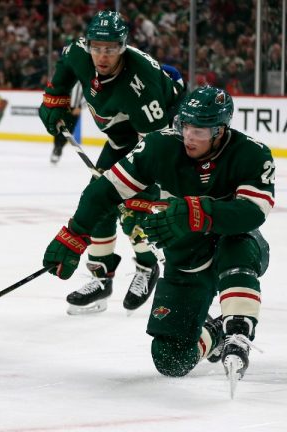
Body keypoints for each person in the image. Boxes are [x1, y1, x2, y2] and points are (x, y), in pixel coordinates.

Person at [42, 86, 273, 386]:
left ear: (220, 130)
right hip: (186, 257)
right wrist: (75, 234)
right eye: (185, 125)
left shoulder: (251, 154)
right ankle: (214, 333)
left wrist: (197, 213)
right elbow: (105, 191)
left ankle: (238, 329)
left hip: (232, 244)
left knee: (237, 244)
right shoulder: (159, 146)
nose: (189, 136)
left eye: (200, 131)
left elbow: (253, 212)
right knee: (170, 359)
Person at [39, 10, 186, 315]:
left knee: (136, 214)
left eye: (110, 49)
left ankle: (147, 266)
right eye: (96, 47)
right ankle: (100, 277)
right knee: (100, 202)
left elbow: (157, 149)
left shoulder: (141, 85)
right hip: (122, 139)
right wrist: (56, 99)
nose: (101, 56)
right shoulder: (81, 53)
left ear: (123, 46)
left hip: (161, 141)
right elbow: (67, 62)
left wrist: (143, 196)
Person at [49, 82, 83, 164]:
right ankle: (57, 147)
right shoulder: (66, 75)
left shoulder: (84, 76)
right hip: (63, 105)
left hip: (75, 108)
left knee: (69, 130)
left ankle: (59, 147)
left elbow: (88, 93)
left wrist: (80, 106)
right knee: (59, 127)